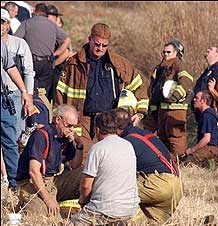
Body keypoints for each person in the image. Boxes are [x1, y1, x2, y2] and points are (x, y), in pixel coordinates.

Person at [55, 22, 149, 162]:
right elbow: (60, 93)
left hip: (109, 120)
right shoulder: (73, 64)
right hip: (82, 120)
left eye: (104, 45)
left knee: (108, 159)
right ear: (90, 39)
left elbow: (139, 86)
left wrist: (140, 113)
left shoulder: (119, 64)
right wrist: (60, 119)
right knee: (83, 159)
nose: (100, 48)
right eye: (97, 44)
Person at [69, 111, 139, 226]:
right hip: (130, 208)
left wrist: (83, 202)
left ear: (97, 130)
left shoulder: (97, 149)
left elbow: (86, 185)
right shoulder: (129, 145)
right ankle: (112, 225)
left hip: (105, 209)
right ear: (117, 129)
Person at [112, 108, 183, 223]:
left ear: (116, 128)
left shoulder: (127, 142)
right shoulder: (145, 134)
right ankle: (201, 225)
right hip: (176, 185)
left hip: (158, 184)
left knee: (112, 191)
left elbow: (118, 173)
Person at [15, 104, 83, 216]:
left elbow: (75, 165)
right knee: (43, 217)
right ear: (58, 120)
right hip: (30, 183)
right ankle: (24, 205)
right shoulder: (41, 136)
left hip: (51, 181)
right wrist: (48, 200)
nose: (71, 130)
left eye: (73, 126)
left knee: (83, 175)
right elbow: (33, 172)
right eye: (69, 125)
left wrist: (79, 145)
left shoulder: (65, 138)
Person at [143, 38, 193, 159]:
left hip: (175, 112)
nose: (165, 54)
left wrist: (174, 97)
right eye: (164, 52)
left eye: (169, 52)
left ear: (176, 53)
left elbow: (187, 81)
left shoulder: (177, 64)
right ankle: (167, 163)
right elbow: (154, 88)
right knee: (163, 137)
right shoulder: (160, 67)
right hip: (161, 110)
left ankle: (179, 163)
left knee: (175, 138)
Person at [14, 2, 71, 103]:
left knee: (28, 90)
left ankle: (28, 112)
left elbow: (15, 40)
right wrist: (55, 54)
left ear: (36, 11)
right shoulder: (53, 26)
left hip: (30, 62)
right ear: (46, 13)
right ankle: (42, 114)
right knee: (42, 94)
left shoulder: (27, 23)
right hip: (47, 64)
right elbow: (66, 40)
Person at [1, 40, 32, 191]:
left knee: (10, 142)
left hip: (3, 98)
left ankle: (14, 185)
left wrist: (24, 91)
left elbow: (10, 66)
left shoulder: (1, 44)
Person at [1, 7, 35, 140]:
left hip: (14, 95)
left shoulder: (19, 44)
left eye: (3, 22)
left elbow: (28, 71)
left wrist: (28, 95)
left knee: (15, 135)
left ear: (8, 25)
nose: (1, 26)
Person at [185, 91, 218, 167]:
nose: (194, 100)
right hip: (211, 147)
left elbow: (206, 139)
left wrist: (192, 150)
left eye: (196, 98)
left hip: (210, 148)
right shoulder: (209, 113)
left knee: (188, 162)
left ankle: (209, 164)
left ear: (203, 101)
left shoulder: (207, 116)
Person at [191, 46, 218, 121]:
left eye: (211, 49)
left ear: (217, 55)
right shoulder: (208, 70)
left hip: (209, 110)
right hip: (201, 109)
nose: (208, 49)